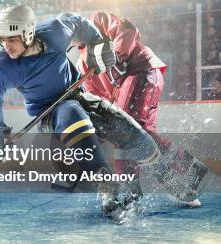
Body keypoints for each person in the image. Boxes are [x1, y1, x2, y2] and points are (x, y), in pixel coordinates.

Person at [0, 5, 160, 224]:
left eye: (12, 39)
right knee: (70, 111)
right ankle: (106, 186)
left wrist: (97, 43)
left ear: (27, 33)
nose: (6, 46)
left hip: (79, 95)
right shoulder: (2, 67)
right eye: (2, 40)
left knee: (131, 131)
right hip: (50, 112)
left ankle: (168, 173)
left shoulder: (54, 31)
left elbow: (79, 23)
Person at [76, 12, 210, 207]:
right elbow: (100, 99)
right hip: (132, 86)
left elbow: (127, 29)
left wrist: (118, 55)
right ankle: (187, 169)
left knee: (127, 133)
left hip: (143, 71)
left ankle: (138, 190)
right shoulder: (82, 64)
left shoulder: (96, 21)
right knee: (140, 134)